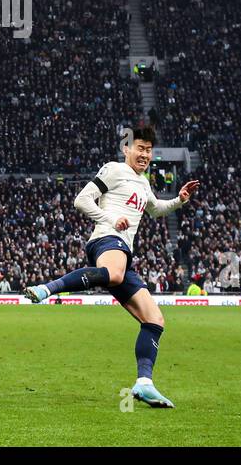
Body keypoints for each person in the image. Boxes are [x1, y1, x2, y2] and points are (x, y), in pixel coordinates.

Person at [24, 126, 198, 408]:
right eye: (140, 148)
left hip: (122, 252)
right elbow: (81, 200)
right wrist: (110, 219)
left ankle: (144, 383)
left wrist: (180, 200)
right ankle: (47, 288)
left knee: (154, 320)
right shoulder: (114, 169)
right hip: (105, 240)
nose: (145, 154)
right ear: (127, 149)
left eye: (149, 150)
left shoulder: (143, 182)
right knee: (114, 273)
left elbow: (155, 210)